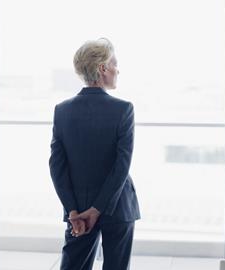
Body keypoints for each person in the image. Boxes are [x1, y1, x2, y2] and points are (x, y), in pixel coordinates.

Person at [49, 38, 140, 270]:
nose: (118, 69)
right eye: (114, 63)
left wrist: (73, 210)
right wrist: (98, 209)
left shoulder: (62, 111)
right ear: (102, 68)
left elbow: (57, 168)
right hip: (118, 207)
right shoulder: (124, 110)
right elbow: (121, 167)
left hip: (78, 209)